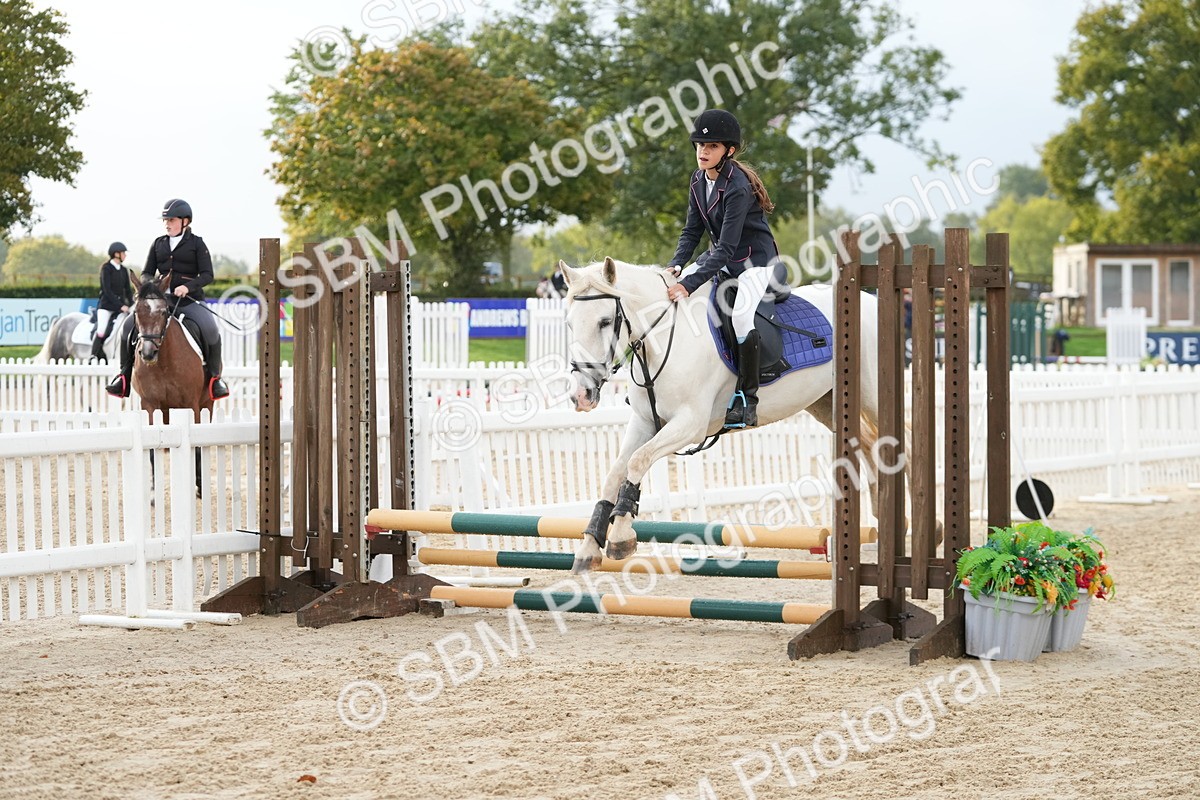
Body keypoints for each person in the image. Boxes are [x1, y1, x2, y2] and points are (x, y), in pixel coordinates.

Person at [665, 108, 780, 428]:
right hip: (724, 261)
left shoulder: (738, 186)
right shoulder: (697, 180)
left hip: (756, 262)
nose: (703, 151)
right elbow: (691, 232)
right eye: (700, 145)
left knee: (741, 314)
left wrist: (688, 284)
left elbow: (727, 247)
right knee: (678, 299)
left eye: (712, 146)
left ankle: (747, 397)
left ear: (728, 151)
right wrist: (677, 266)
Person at [105, 198, 229, 400]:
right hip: (161, 302)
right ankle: (123, 377)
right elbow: (146, 273)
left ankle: (216, 380)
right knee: (128, 328)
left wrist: (187, 287)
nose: (167, 224)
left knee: (211, 330)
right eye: (165, 220)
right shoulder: (158, 243)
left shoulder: (197, 244)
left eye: (171, 220)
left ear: (185, 221)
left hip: (189, 300)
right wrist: (152, 287)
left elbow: (207, 275)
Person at [92, 242, 133, 362]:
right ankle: (93, 354)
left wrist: (131, 304)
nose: (125, 255)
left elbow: (128, 290)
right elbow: (107, 291)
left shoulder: (124, 270)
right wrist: (121, 306)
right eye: (123, 253)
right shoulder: (106, 268)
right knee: (102, 329)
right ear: (116, 254)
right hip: (106, 306)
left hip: (120, 307)